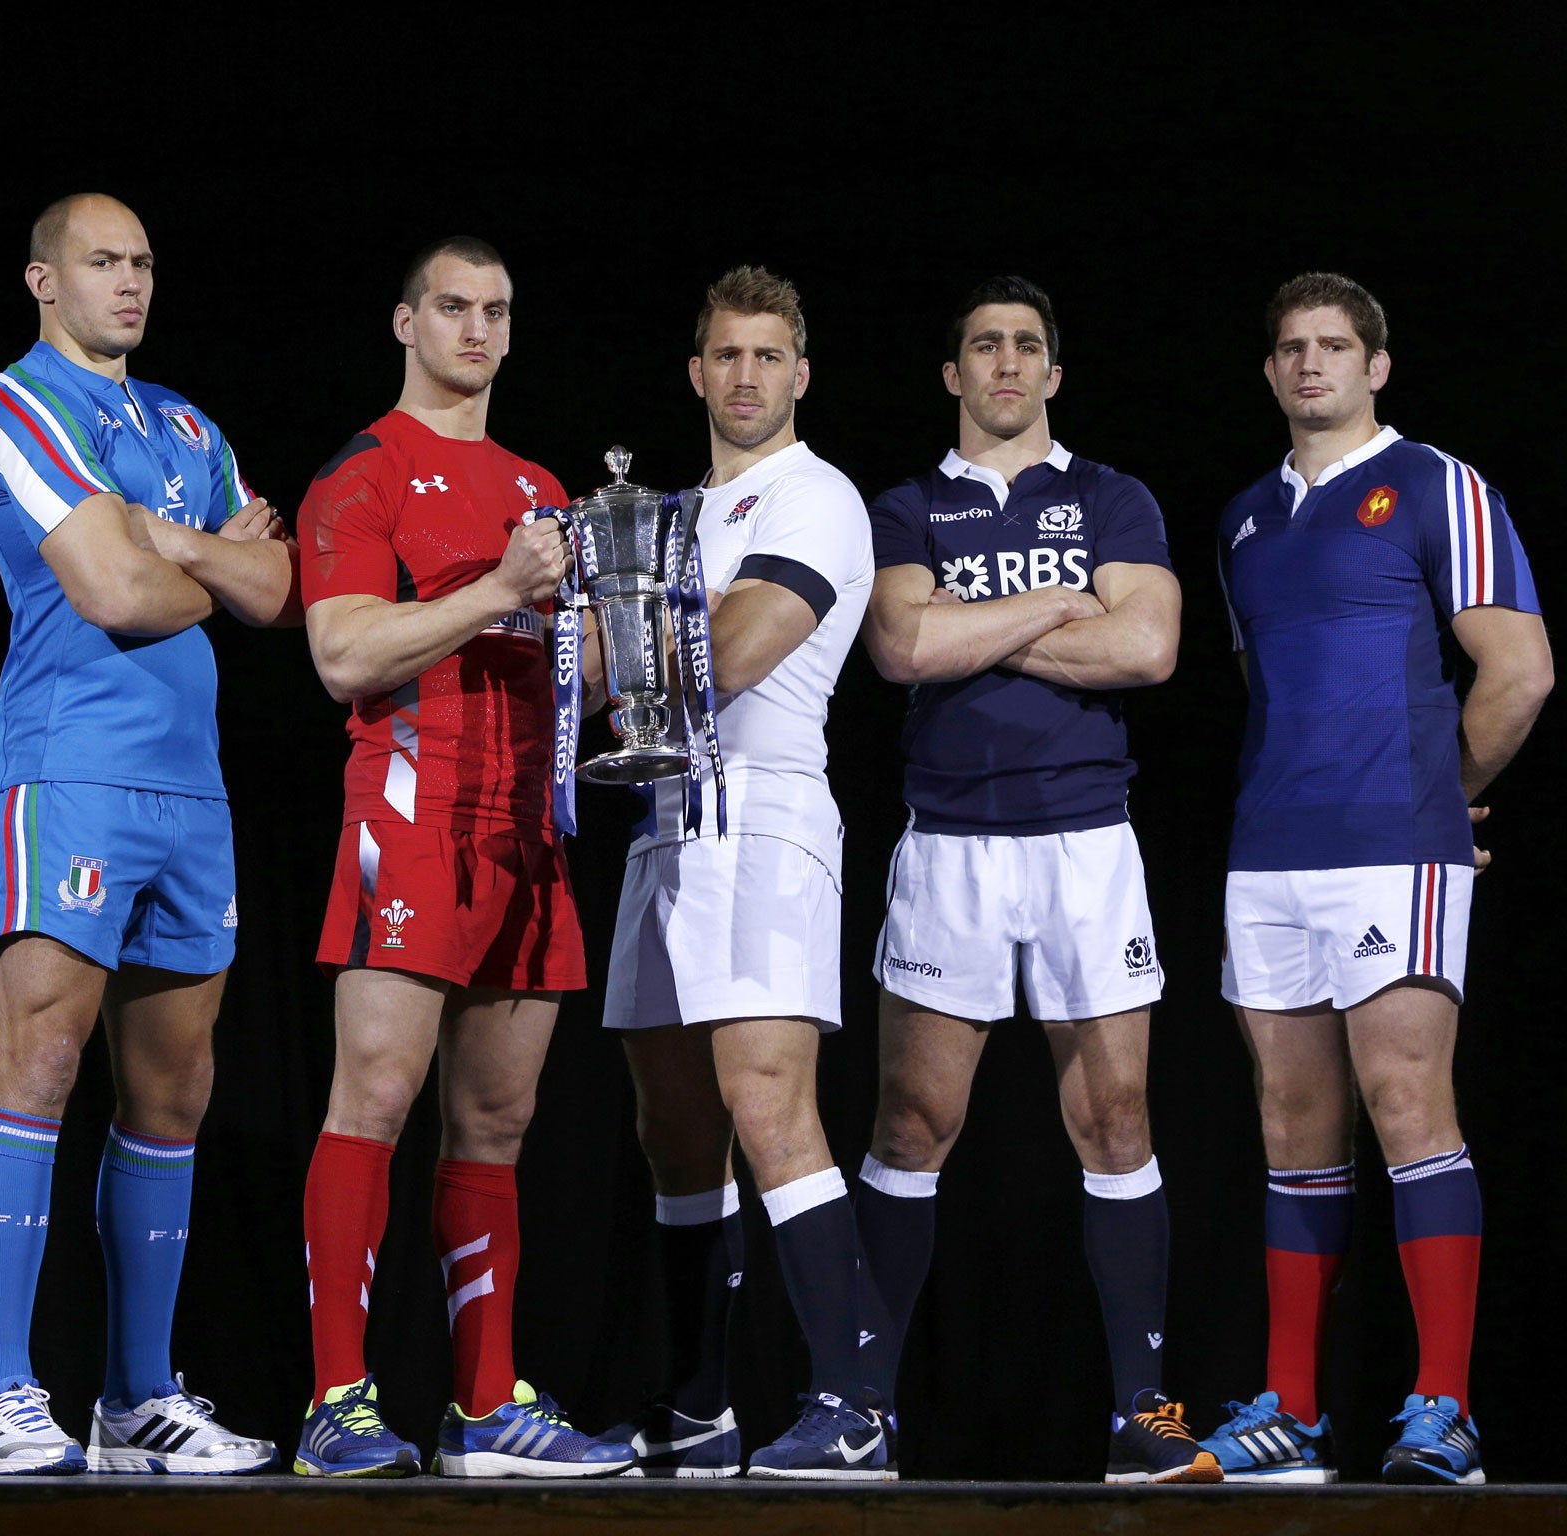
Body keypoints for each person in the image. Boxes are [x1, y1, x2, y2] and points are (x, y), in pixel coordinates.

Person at [0, 193, 297, 1476]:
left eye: (143, 261)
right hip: (68, 774)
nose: (129, 283)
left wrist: (168, 540)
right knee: (37, 1062)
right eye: (103, 262)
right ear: (43, 279)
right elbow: (109, 592)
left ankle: (136, 1398)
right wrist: (195, 551)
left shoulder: (188, 424)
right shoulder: (22, 404)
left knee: (176, 1089)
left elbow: (275, 587)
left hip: (188, 790)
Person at [1195, 273, 1548, 1487]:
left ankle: (1441, 1407)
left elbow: (1519, 670)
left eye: (1332, 347)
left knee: (1409, 1113)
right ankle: (1287, 1410)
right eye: (1289, 347)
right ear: (1268, 369)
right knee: (1291, 1131)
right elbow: (1266, 698)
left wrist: (1436, 799)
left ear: (1375, 365)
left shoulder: (1438, 487)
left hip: (1391, 850)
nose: (1309, 366)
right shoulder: (1245, 519)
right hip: (1266, 854)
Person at [860, 277, 1216, 1483]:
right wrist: (1065, 601)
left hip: (1084, 842)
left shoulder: (1110, 495)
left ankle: (1144, 1414)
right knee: (913, 1123)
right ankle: (862, 1402)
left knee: (1115, 1120)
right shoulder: (902, 504)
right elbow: (903, 646)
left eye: (1026, 347)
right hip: (948, 841)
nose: (1005, 364)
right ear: (950, 375)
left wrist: (986, 617)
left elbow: (1150, 647)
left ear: (1052, 374)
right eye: (981, 347)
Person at [292, 236, 629, 1480]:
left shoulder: (542, 484)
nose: (476, 330)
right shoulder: (363, 472)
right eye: (452, 308)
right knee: (372, 1099)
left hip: (525, 831)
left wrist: (634, 624)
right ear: (404, 321)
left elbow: (579, 671)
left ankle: (487, 1408)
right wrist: (498, 585)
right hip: (407, 815)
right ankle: (338, 1400)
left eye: (495, 309)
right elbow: (341, 655)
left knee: (498, 1119)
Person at [598, 267, 885, 1480]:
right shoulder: (664, 517)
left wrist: (616, 629)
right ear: (696, 371)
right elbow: (624, 676)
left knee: (768, 1108)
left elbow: (733, 649)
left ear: (799, 373)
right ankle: (698, 1400)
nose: (745, 376)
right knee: (672, 1128)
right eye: (726, 355)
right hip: (659, 824)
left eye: (768, 356)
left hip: (763, 819)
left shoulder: (814, 496)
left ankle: (856, 1403)